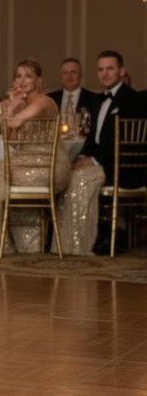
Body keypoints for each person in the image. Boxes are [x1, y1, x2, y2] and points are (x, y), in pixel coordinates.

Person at [0, 58, 70, 253]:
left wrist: (12, 106)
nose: (22, 80)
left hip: (50, 165)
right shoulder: (21, 104)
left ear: (38, 80)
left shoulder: (44, 102)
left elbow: (13, 123)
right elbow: (9, 138)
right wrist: (13, 106)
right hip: (27, 162)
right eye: (19, 76)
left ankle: (2, 242)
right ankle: (5, 242)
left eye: (28, 76)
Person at [69, 50, 144, 255]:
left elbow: (123, 144)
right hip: (104, 163)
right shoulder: (97, 101)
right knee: (70, 174)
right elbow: (93, 138)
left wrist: (93, 161)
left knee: (82, 179)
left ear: (121, 71)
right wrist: (84, 156)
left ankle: (82, 244)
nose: (105, 73)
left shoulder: (133, 100)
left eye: (110, 68)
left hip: (125, 168)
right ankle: (68, 242)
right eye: (101, 69)